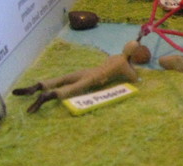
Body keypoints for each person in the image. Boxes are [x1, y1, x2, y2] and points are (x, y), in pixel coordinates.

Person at [13, 41, 141, 113]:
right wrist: (132, 66)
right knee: (72, 88)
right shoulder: (124, 64)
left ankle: (38, 86)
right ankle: (47, 96)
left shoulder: (114, 56)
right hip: (95, 77)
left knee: (64, 78)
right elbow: (134, 78)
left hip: (89, 71)